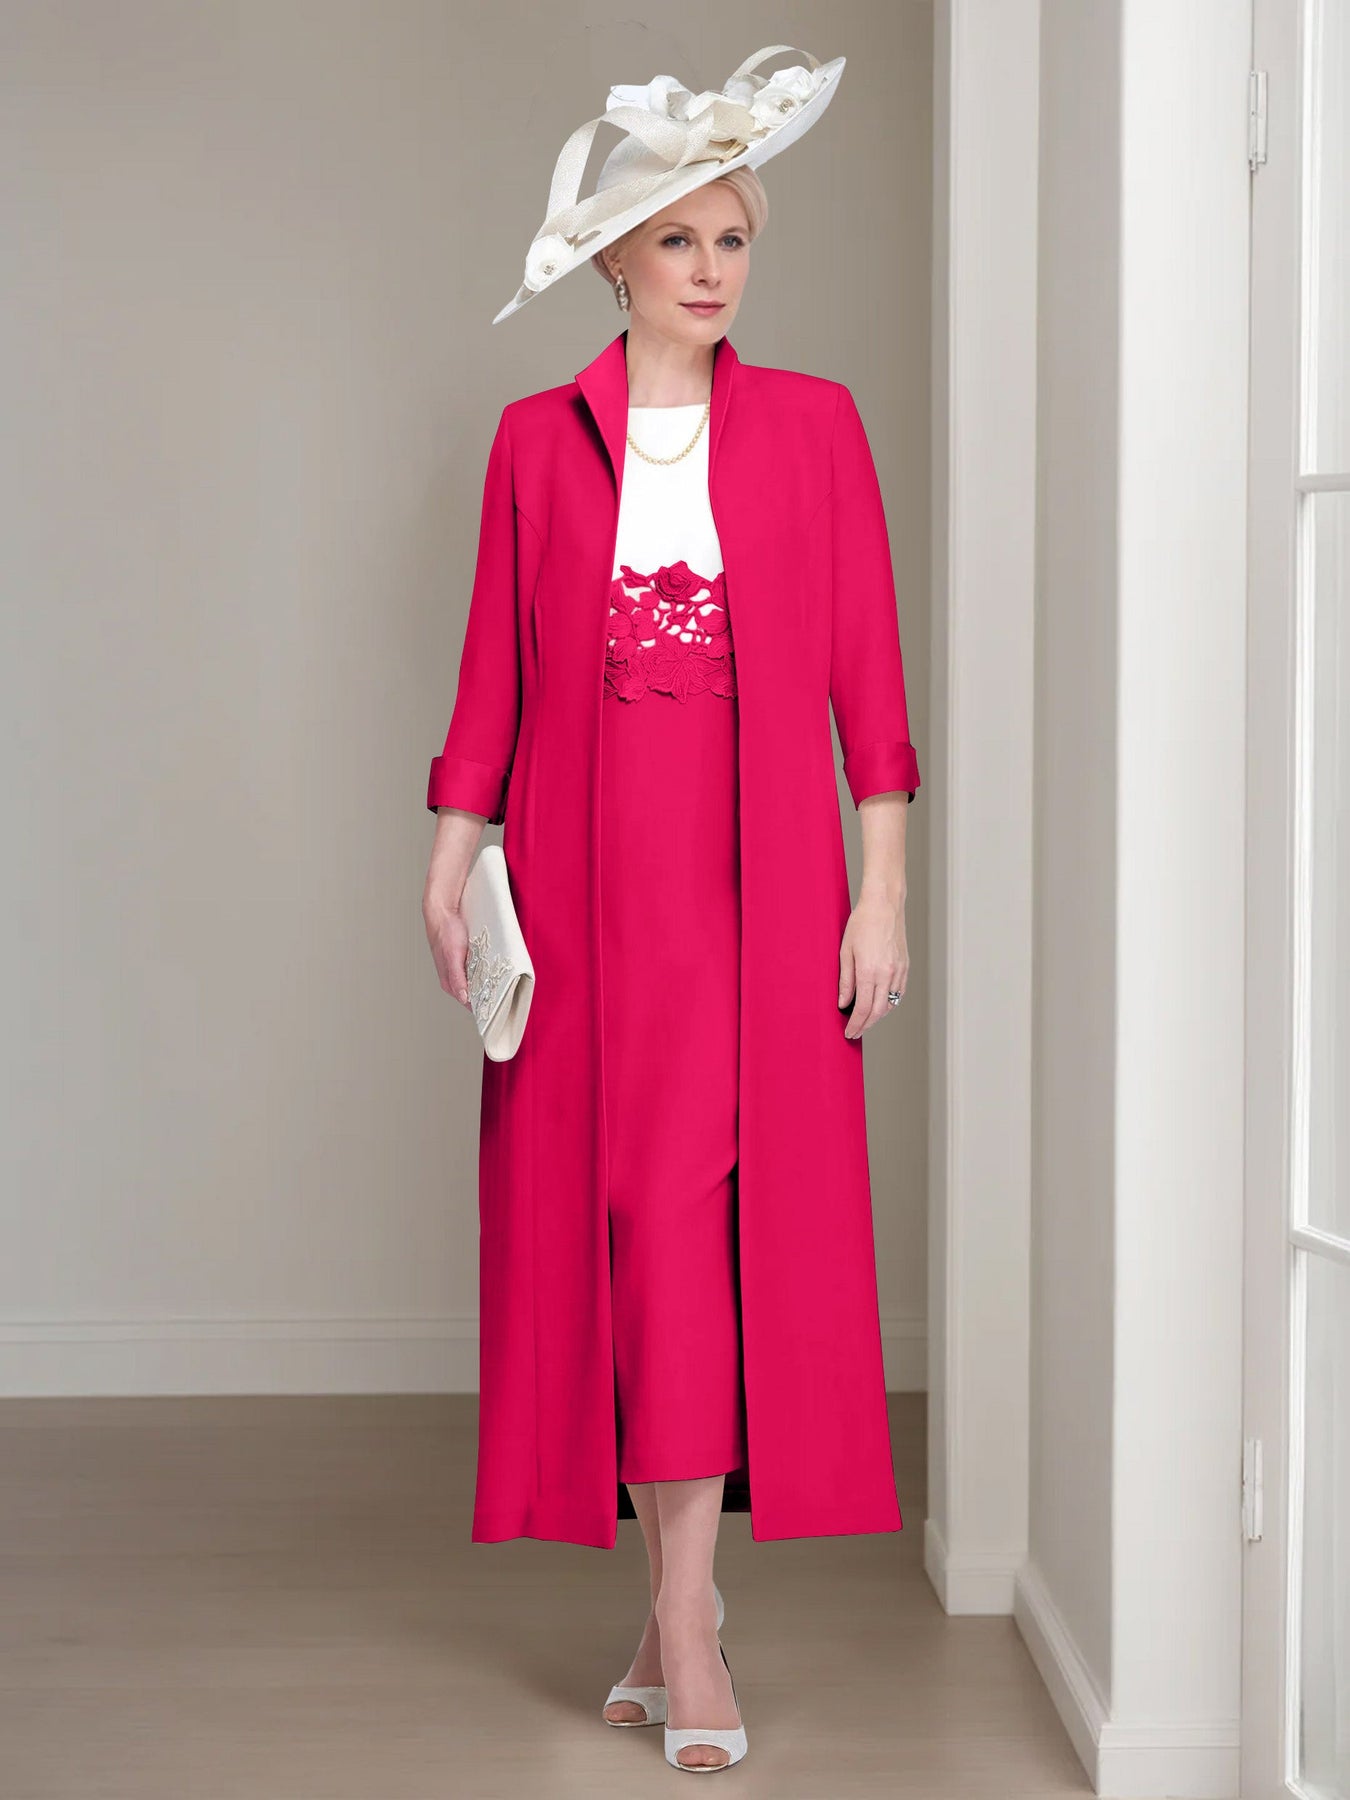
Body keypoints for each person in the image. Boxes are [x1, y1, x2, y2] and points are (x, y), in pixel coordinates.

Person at [421, 46, 920, 1774]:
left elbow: (868, 685)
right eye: (680, 240)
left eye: (734, 240)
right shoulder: (532, 444)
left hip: (760, 897)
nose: (712, 270)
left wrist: (880, 895)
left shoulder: (816, 428)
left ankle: (688, 1624)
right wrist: (447, 858)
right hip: (584, 905)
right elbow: (491, 679)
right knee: (633, 1231)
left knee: (709, 1234)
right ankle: (674, 1615)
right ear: (615, 261)